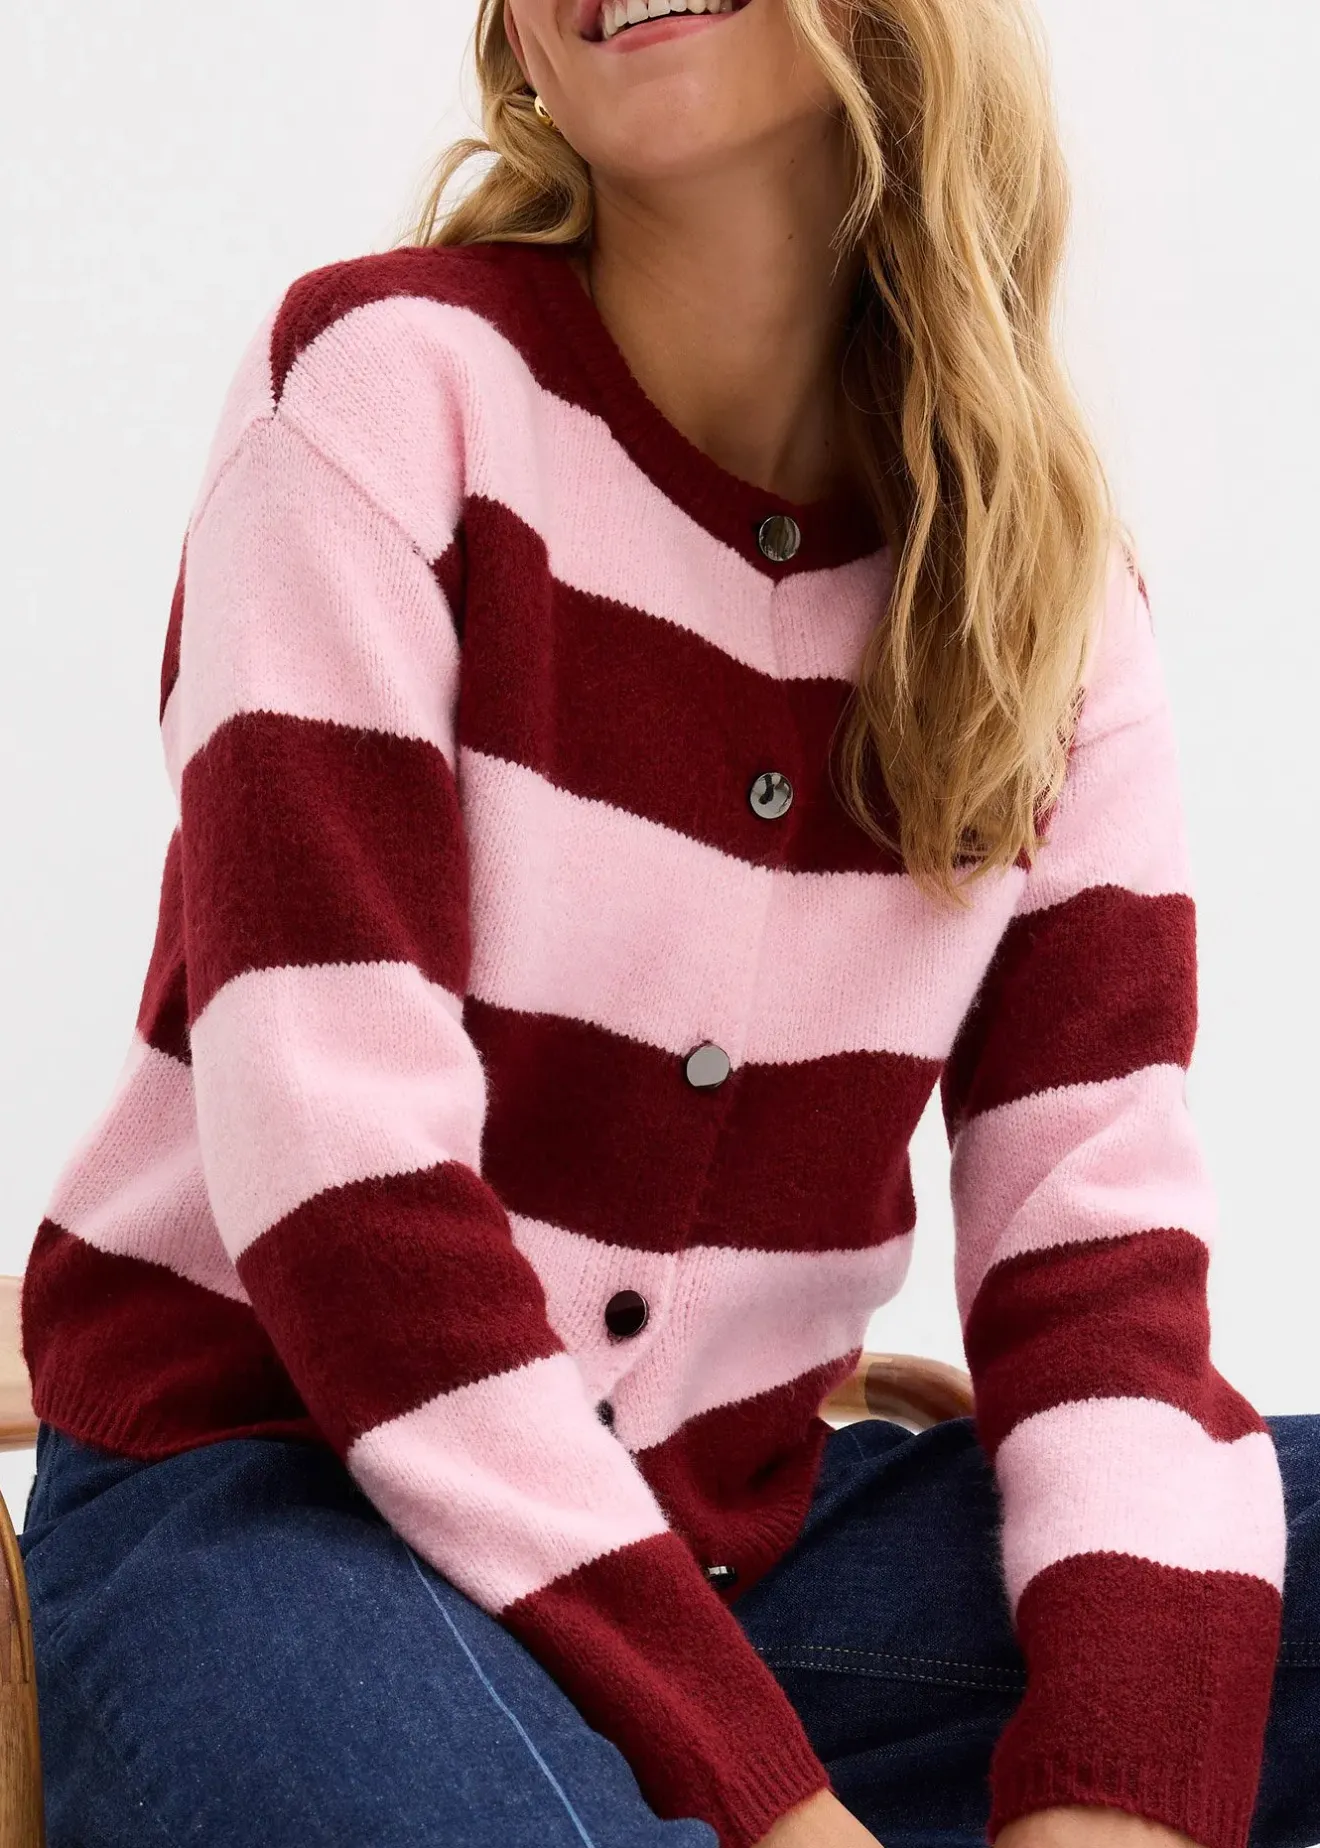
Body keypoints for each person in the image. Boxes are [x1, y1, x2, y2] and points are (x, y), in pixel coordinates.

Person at [14, 0, 1320, 1845]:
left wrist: (1120, 1801)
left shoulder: (1050, 601)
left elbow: (1095, 1256)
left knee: (1226, 1573)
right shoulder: (384, 395)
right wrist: (774, 1809)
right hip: (274, 1506)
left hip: (732, 1553)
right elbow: (352, 1196)